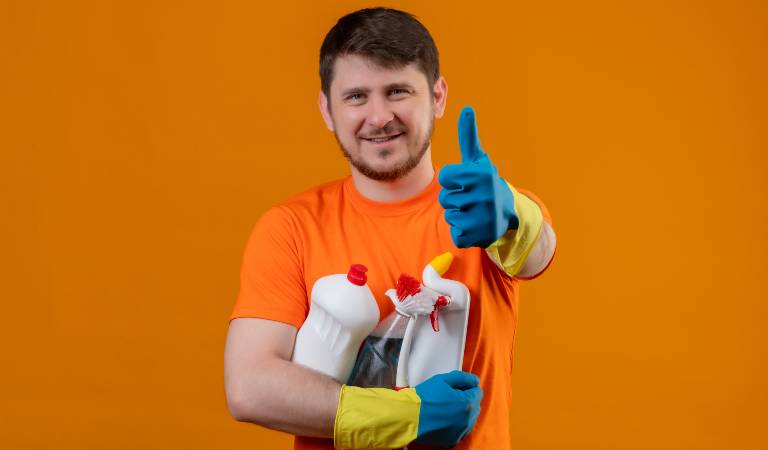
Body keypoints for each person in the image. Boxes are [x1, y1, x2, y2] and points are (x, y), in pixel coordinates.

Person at [224, 7, 557, 450]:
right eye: (356, 96)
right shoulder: (291, 228)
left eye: (398, 91)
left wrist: (512, 215)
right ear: (327, 109)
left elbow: (538, 252)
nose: (379, 117)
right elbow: (249, 386)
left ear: (438, 96)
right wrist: (407, 413)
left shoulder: (482, 207)